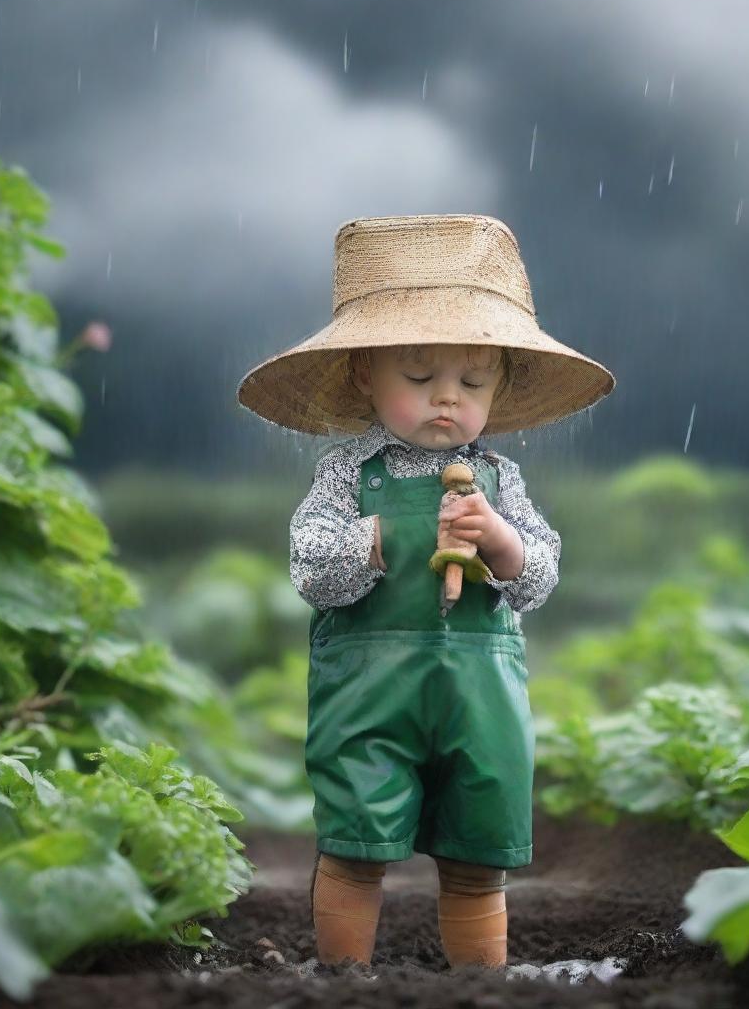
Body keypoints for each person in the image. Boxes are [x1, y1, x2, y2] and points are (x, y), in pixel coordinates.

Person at [236, 213, 615, 971]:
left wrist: (502, 542)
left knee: (479, 855)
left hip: (479, 694)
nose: (447, 399)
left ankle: (482, 983)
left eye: (472, 383)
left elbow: (538, 578)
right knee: (354, 845)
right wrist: (382, 538)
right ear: (364, 376)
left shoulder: (501, 482)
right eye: (419, 379)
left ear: (499, 388)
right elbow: (310, 568)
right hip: (370, 691)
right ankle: (346, 979)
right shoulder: (346, 475)